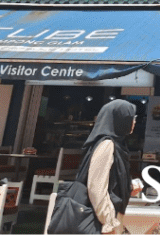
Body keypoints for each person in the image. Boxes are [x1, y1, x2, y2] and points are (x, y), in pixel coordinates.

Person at [50, 97, 139, 234]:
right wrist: (109, 222)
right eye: (131, 117)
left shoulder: (117, 144)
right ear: (119, 119)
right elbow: (96, 186)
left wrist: (128, 187)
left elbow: (109, 181)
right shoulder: (107, 144)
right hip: (99, 221)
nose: (134, 121)